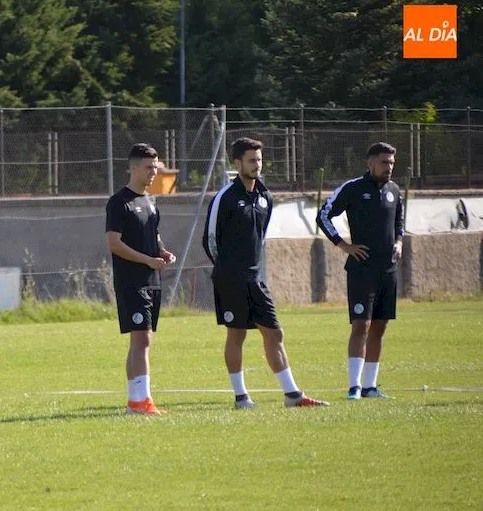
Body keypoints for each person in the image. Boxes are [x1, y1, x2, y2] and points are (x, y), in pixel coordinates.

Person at [203, 137, 329, 409]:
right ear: (237, 163)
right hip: (230, 279)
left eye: (259, 160)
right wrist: (226, 269)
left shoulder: (265, 197)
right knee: (236, 335)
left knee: (274, 333)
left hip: (255, 279)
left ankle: (292, 395)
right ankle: (241, 397)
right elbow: (210, 239)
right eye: (251, 160)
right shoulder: (225, 197)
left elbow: (259, 238)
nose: (257, 165)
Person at [316, 142, 403, 400]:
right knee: (361, 325)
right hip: (362, 271)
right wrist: (343, 245)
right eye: (384, 162)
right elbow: (323, 215)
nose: (389, 167)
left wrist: (399, 242)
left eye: (392, 163)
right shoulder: (353, 188)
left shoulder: (394, 190)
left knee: (379, 327)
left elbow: (399, 222)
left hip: (388, 270)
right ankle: (354, 386)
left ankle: (370, 387)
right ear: (370, 163)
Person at [105, 143, 176, 415]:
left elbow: (153, 235)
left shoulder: (151, 201)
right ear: (133, 168)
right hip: (131, 281)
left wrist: (162, 252)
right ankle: (140, 401)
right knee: (141, 339)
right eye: (148, 167)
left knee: (142, 340)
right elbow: (114, 244)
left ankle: (136, 401)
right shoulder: (119, 202)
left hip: (152, 280)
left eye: (155, 167)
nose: (153, 172)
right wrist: (147, 260)